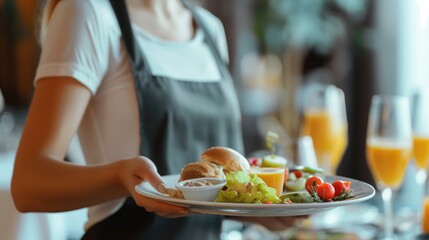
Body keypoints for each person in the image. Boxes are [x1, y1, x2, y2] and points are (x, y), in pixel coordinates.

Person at [11, 0, 302, 239]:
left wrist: (259, 211)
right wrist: (121, 177)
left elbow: (213, 191)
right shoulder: (88, 13)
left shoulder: (210, 28)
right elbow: (28, 184)